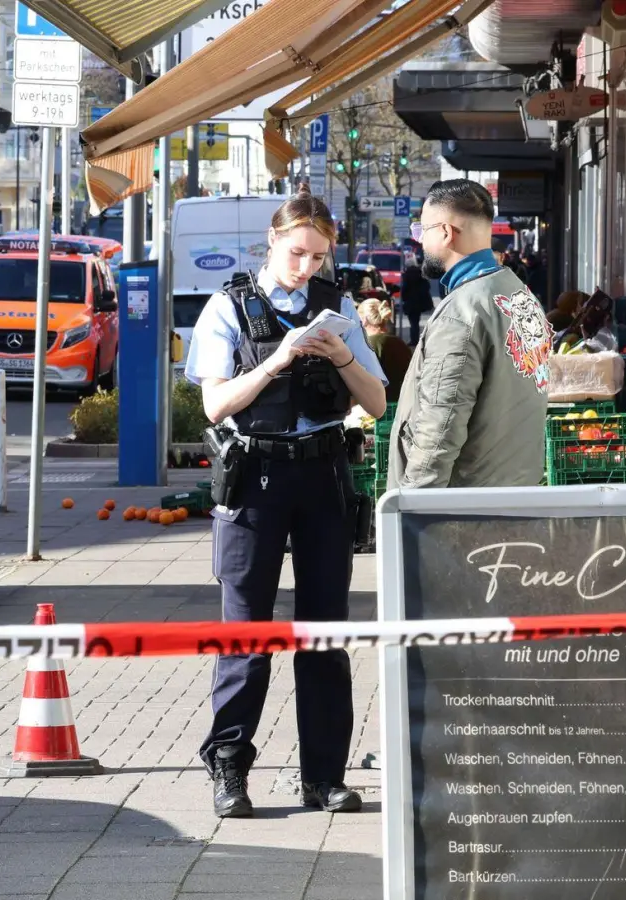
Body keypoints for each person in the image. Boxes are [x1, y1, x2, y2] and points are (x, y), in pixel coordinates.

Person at [184, 188, 388, 819]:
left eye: (318, 257)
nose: (306, 267)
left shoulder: (338, 306)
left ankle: (323, 776)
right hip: (256, 477)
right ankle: (229, 770)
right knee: (246, 631)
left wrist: (343, 354)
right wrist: (275, 361)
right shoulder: (229, 307)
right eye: (297, 252)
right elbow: (215, 406)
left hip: (324, 473)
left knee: (324, 632)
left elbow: (377, 402)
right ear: (272, 242)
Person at [389, 179, 551, 489]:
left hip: (463, 511)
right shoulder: (519, 294)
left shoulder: (461, 313)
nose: (419, 241)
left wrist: (411, 509)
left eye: (422, 231)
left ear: (446, 233)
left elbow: (440, 428)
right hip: (512, 493)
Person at [357, 295, 411, 402]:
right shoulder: (400, 343)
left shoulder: (366, 346)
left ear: (364, 320)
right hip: (402, 404)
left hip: (377, 407)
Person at [399, 263, 433, 344]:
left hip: (410, 303)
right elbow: (427, 288)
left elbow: (404, 290)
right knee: (416, 322)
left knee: (413, 323)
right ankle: (415, 339)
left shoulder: (407, 278)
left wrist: (404, 298)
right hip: (419, 303)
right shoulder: (421, 278)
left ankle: (414, 340)